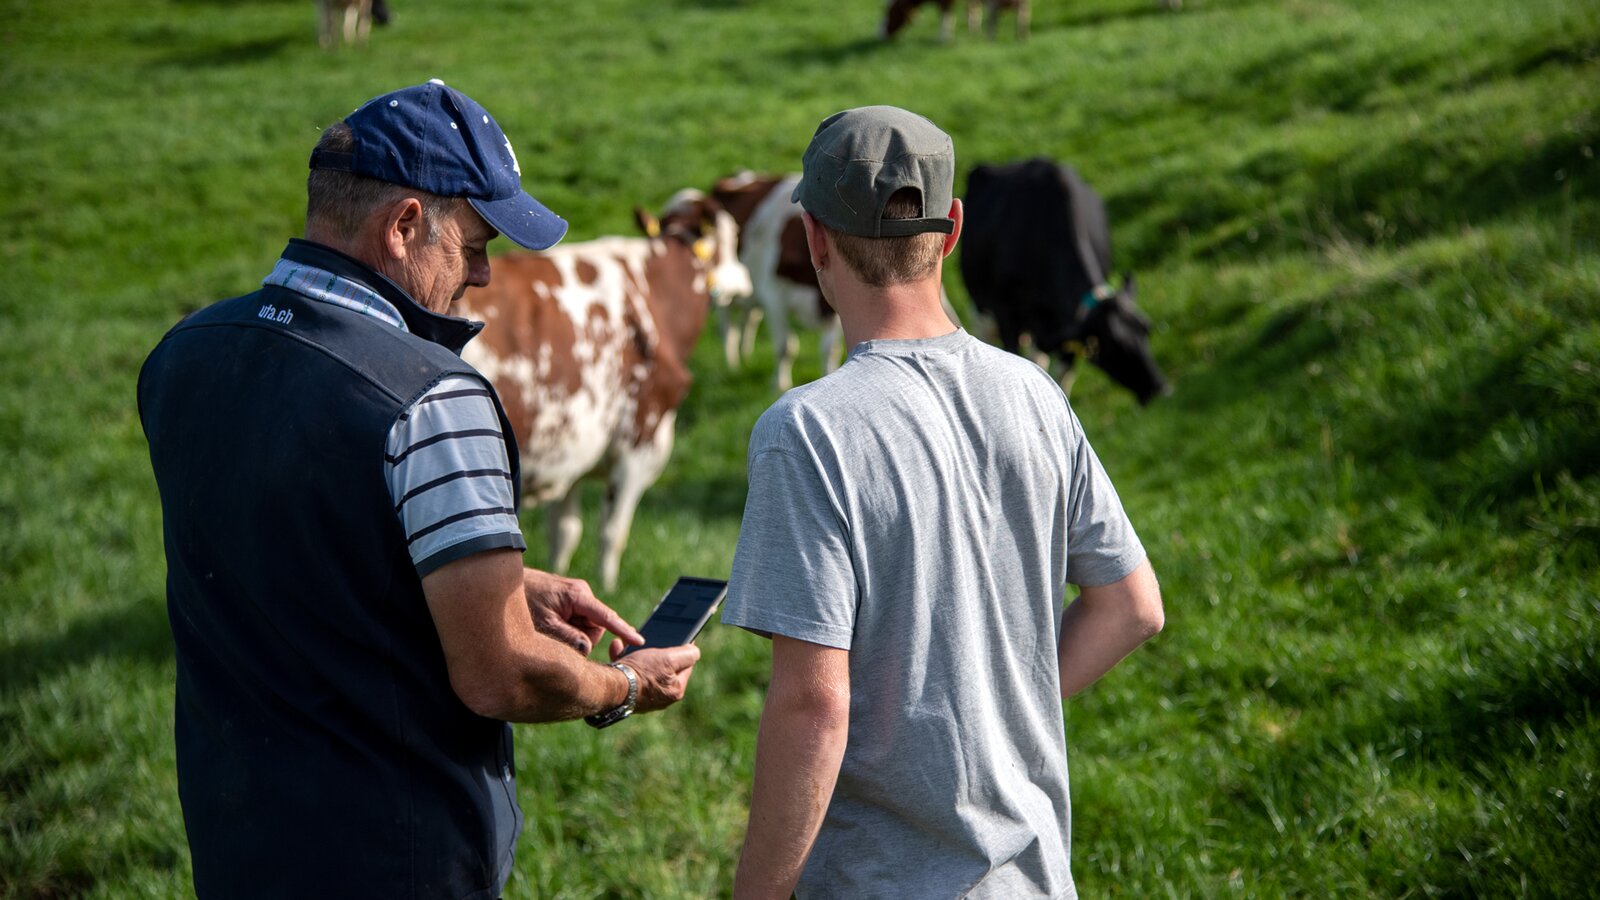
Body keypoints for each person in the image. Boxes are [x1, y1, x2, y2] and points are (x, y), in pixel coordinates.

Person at [137, 80, 700, 898]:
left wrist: (499, 582)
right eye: (473, 244)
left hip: (233, 829)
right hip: (394, 850)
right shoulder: (432, 399)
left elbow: (296, 548)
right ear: (404, 226)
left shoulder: (186, 351)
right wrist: (625, 686)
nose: (482, 274)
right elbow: (498, 672)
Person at [721, 106, 1166, 898]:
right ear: (953, 228)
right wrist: (1003, 709)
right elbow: (1132, 606)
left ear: (815, 239)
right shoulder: (1034, 393)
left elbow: (813, 705)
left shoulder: (809, 429)